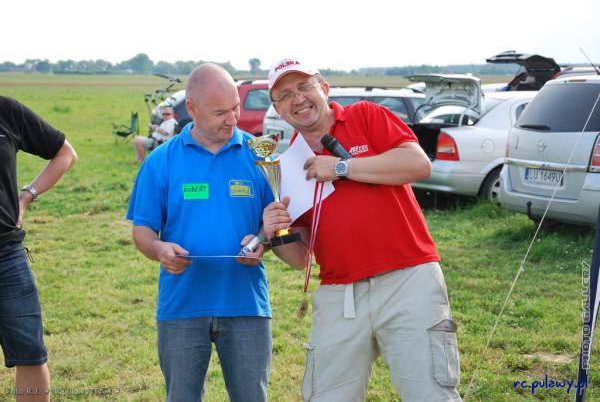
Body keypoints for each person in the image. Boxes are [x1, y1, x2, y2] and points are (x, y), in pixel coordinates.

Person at [263, 59, 462, 402]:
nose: (298, 99)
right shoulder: (289, 165)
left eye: (304, 87)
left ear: (324, 88)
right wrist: (276, 234)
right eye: (285, 95)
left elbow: (418, 164)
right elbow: (300, 259)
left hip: (408, 280)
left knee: (429, 394)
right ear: (277, 108)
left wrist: (342, 167)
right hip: (340, 294)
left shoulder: (365, 116)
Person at [126, 63, 274, 402]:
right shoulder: (160, 161)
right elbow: (143, 231)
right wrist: (160, 250)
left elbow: (275, 220)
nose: (232, 119)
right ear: (191, 109)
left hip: (246, 305)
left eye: (236, 107)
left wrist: (262, 241)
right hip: (182, 306)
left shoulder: (260, 155)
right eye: (220, 112)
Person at [0, 96, 77, 401]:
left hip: (6, 255)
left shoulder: (6, 111)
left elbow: (65, 154)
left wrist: (27, 195)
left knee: (30, 353)